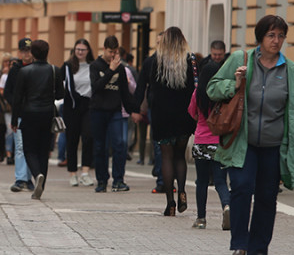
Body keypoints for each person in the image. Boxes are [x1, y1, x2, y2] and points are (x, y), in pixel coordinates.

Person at [207, 15, 294, 255]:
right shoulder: (239, 59)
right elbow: (212, 88)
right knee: (242, 187)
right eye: (271, 35)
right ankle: (239, 244)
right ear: (260, 37)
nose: (276, 41)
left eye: (280, 36)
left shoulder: (292, 71)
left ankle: (258, 249)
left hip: (274, 146)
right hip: (242, 143)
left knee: (267, 198)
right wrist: (234, 84)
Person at [133, 27, 197, 216]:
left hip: (161, 115)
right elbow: (197, 88)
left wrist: (135, 108)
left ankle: (170, 202)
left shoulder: (152, 61)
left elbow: (140, 87)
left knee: (166, 157)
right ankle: (183, 191)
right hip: (184, 115)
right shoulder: (190, 60)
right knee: (180, 156)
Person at [11, 39, 64, 200]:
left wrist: (14, 120)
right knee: (43, 151)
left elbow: (17, 98)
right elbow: (61, 95)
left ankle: (37, 175)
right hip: (48, 114)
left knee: (29, 150)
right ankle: (42, 182)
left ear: (32, 53)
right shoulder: (55, 70)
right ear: (47, 53)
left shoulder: (25, 72)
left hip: (29, 114)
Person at [188, 49, 231, 229]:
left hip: (201, 142)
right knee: (221, 181)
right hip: (219, 143)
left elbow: (192, 113)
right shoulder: (222, 95)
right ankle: (227, 206)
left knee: (202, 182)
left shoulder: (197, 94)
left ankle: (201, 219)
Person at [89, 35, 136, 193]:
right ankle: (101, 180)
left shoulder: (121, 68)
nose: (113, 56)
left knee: (120, 145)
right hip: (98, 111)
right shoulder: (95, 66)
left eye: (115, 52)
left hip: (115, 111)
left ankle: (118, 180)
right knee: (100, 147)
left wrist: (132, 110)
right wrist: (110, 71)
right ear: (104, 49)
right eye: (110, 52)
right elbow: (96, 87)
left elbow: (124, 92)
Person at [62, 39, 95, 187]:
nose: (80, 52)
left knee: (88, 137)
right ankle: (73, 173)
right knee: (72, 139)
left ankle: (85, 172)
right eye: (78, 49)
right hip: (72, 106)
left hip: (88, 105)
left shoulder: (93, 66)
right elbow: (61, 84)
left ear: (88, 51)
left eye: (83, 49)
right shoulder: (68, 66)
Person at [5, 38, 35, 192]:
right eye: (23, 51)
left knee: (31, 146)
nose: (26, 54)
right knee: (20, 146)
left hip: (34, 113)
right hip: (19, 113)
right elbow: (8, 91)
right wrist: (16, 103)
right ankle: (20, 178)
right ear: (19, 52)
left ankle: (29, 177)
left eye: (29, 51)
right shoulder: (15, 69)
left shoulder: (37, 68)